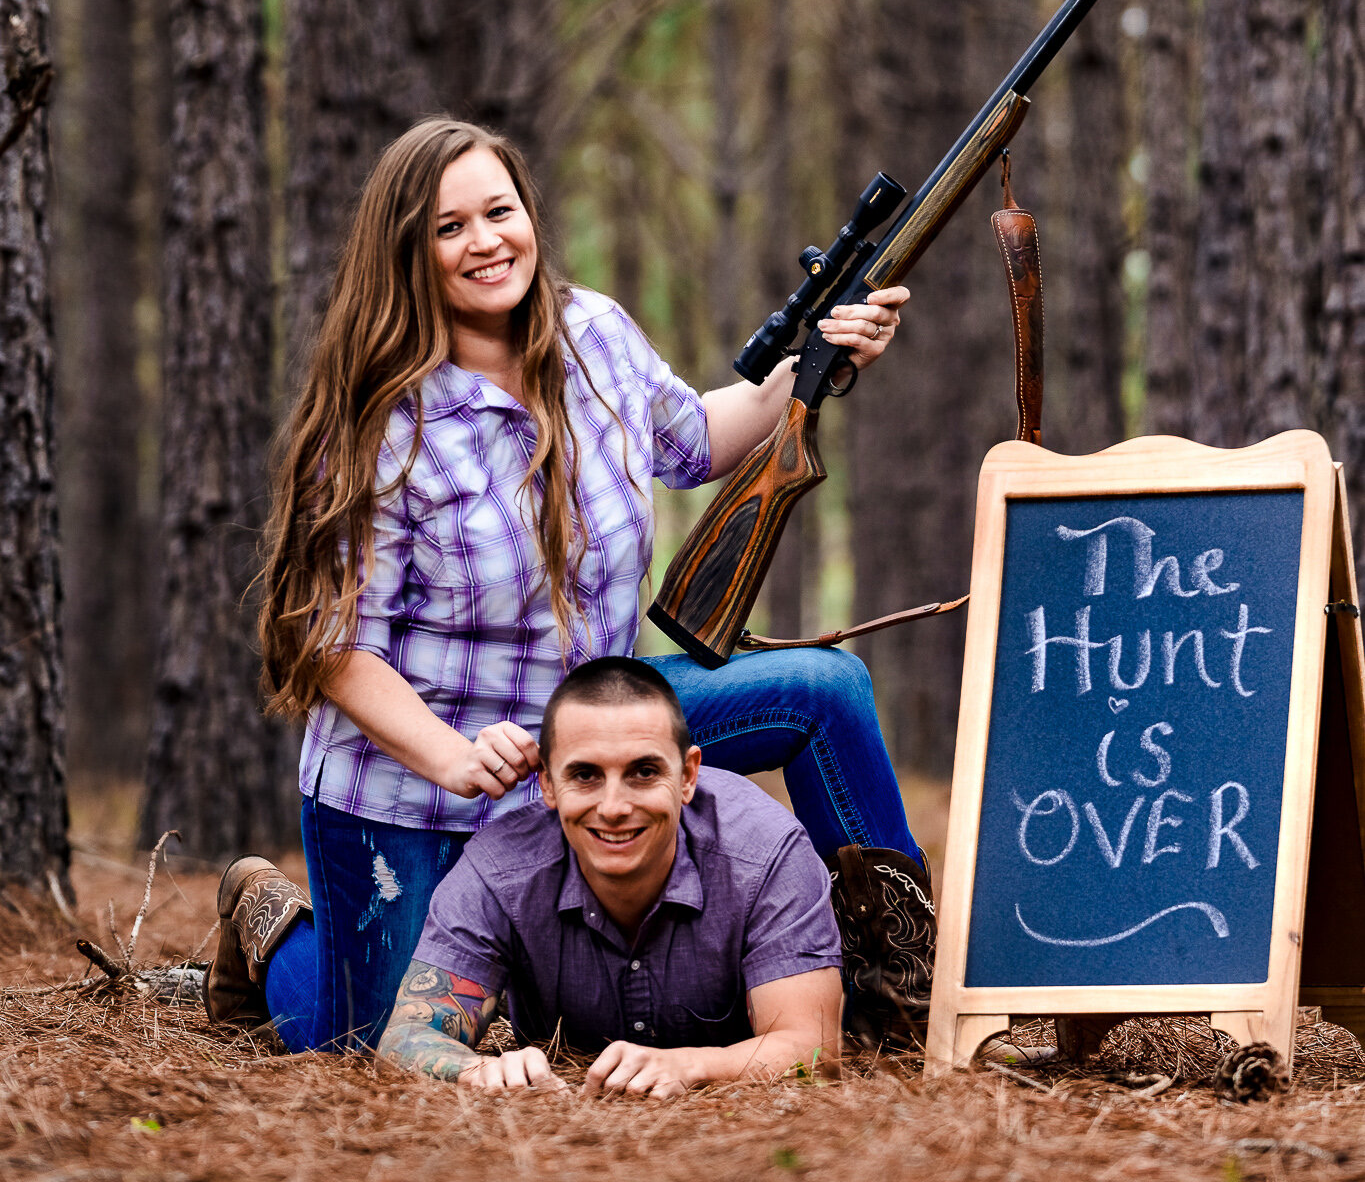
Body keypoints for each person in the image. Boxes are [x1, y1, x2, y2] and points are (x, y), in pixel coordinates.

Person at [203, 117, 932, 1053]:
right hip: (424, 780)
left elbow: (693, 441)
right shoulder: (377, 421)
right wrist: (449, 757)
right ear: (406, 254)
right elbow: (331, 645)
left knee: (823, 691)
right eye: (448, 227)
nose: (484, 241)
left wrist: (815, 368)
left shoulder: (592, 332)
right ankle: (270, 926)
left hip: (595, 736)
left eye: (498, 211)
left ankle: (890, 993)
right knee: (372, 1045)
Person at [375, 656, 843, 1096]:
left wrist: (692, 1066)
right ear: (548, 785)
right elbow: (407, 1038)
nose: (615, 808)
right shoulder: (498, 871)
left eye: (643, 771)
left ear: (687, 776)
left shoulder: (765, 854)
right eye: (585, 775)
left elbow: (813, 1050)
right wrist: (479, 1072)